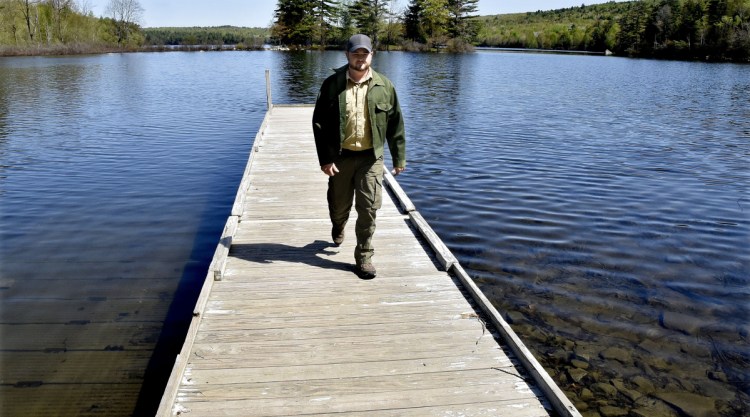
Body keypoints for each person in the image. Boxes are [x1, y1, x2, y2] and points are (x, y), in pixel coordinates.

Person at [312, 34, 406, 279]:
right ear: (347, 55)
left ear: (371, 55)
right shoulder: (332, 84)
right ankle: (338, 224)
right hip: (340, 156)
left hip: (370, 158)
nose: (360, 58)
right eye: (356, 53)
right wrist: (325, 159)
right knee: (339, 204)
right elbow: (319, 123)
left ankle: (364, 257)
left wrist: (399, 158)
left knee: (368, 208)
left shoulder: (385, 86)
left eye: (365, 53)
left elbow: (396, 124)